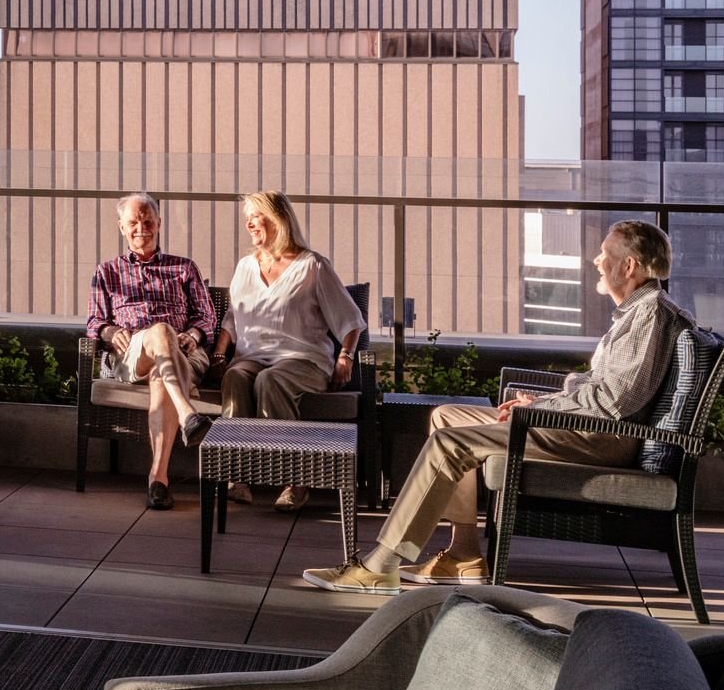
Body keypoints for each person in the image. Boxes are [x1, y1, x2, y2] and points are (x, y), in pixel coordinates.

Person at [306, 220, 691, 595]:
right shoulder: (636, 312)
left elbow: (613, 403)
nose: (595, 260)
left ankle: (381, 565)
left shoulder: (650, 314)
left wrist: (541, 410)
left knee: (449, 444)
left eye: (604, 253)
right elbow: (602, 390)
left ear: (629, 265)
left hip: (602, 438)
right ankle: (464, 554)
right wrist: (540, 402)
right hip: (586, 426)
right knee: (446, 416)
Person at [188, 190, 365, 512]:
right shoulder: (245, 267)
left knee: (270, 380)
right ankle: (236, 477)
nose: (250, 224)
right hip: (252, 357)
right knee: (237, 377)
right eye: (247, 219)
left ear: (278, 219)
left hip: (303, 360)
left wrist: (345, 357)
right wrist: (219, 355)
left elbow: (350, 318)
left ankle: (295, 480)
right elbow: (232, 318)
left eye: (256, 217)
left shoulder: (313, 266)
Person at [85, 192, 218, 510]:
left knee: (163, 364)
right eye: (133, 222)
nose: (140, 227)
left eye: (147, 221)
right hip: (132, 355)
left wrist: (194, 334)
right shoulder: (107, 272)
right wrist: (110, 330)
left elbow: (208, 317)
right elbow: (94, 322)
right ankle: (188, 413)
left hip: (183, 353)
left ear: (158, 223)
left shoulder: (184, 269)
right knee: (159, 332)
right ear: (121, 226)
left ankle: (158, 480)